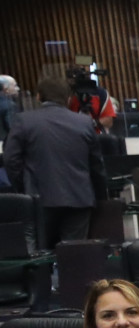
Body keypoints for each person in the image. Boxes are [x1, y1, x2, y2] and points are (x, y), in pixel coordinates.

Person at [5, 75, 104, 248]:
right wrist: (101, 197)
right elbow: (96, 164)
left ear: (38, 96)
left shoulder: (24, 121)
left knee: (41, 255)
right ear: (68, 98)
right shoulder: (84, 122)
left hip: (39, 198)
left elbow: (11, 160)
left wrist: (25, 187)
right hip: (79, 198)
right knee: (75, 254)